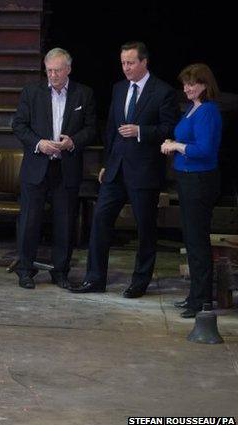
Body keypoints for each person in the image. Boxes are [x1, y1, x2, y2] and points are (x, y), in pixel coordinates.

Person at [71, 41, 179, 297]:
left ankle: (139, 282)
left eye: (131, 63)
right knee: (100, 221)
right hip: (116, 169)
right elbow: (110, 130)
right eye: (123, 63)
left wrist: (141, 131)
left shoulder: (163, 91)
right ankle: (95, 279)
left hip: (144, 171)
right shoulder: (119, 89)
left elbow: (169, 129)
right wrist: (107, 163)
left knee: (144, 229)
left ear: (144, 62)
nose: (126, 68)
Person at [12, 47, 97, 289]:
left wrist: (73, 142)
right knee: (29, 221)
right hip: (37, 166)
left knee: (65, 222)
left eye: (57, 70)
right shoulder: (31, 93)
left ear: (68, 69)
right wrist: (39, 143)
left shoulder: (84, 94)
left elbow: (91, 129)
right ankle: (25, 271)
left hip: (66, 167)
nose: (53, 75)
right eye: (49, 70)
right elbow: (19, 125)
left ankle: (60, 272)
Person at [160, 63, 222, 318]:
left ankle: (203, 300)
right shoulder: (192, 109)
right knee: (191, 240)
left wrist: (176, 146)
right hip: (187, 179)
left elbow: (204, 150)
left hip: (200, 180)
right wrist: (173, 143)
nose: (186, 88)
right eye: (185, 84)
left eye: (192, 84)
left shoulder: (208, 111)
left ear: (205, 85)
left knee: (197, 241)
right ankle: (195, 296)